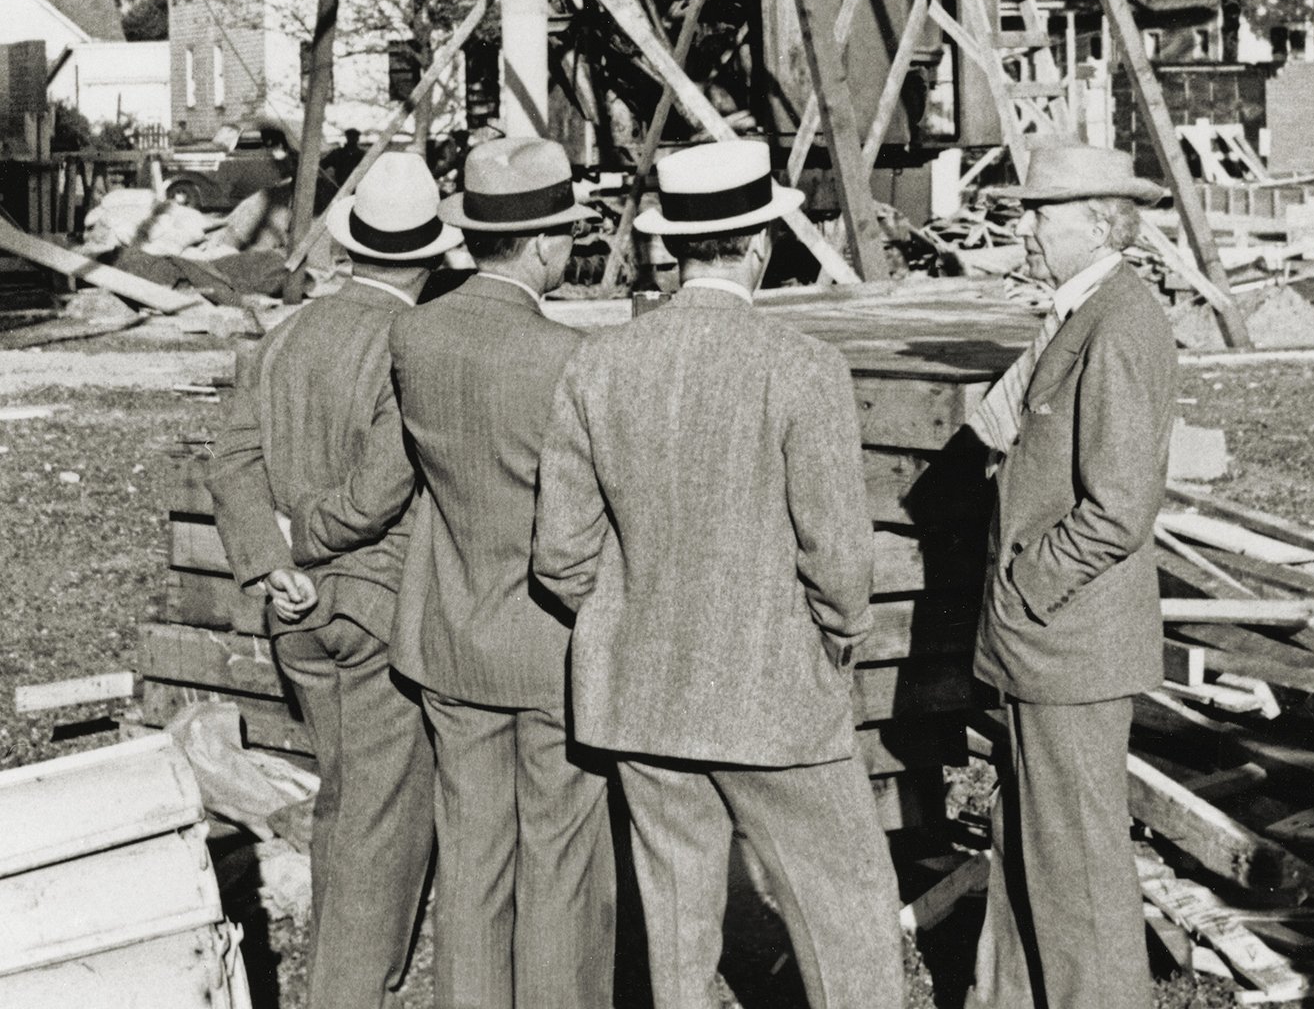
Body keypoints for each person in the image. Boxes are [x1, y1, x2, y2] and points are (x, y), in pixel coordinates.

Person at [534, 139, 903, 1009]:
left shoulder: (596, 363)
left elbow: (559, 553)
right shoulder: (803, 367)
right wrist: (839, 640)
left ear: (671, 247)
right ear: (762, 243)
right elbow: (838, 557)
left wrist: (629, 615)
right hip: (774, 693)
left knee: (676, 923)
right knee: (844, 905)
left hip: (642, 694)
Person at [208, 151, 461, 1009]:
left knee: (345, 802)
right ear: (429, 258)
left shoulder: (281, 339)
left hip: (294, 613)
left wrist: (272, 560)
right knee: (376, 823)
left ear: (351, 247)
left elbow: (233, 465)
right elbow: (380, 493)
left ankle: (353, 982)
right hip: (372, 607)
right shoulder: (408, 343)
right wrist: (312, 550)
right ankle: (349, 993)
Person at [389, 136, 615, 1009]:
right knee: (559, 866)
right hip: (553, 648)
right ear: (545, 245)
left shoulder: (415, 334)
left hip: (451, 638)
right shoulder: (570, 357)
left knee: (474, 863)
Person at [964, 140, 1176, 1009]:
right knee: (1027, 845)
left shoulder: (1120, 323)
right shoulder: (1073, 312)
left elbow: (1119, 507)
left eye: (1040, 214)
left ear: (1098, 222)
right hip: (1044, 647)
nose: (1024, 229)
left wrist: (1025, 583)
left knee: (1078, 867)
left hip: (1068, 643)